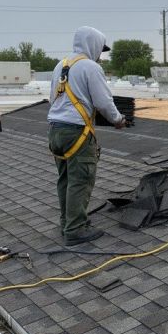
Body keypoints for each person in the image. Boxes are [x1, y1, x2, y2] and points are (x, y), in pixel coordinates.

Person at [48, 26, 126, 245]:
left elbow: (52, 99)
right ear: (93, 45)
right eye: (100, 49)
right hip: (76, 133)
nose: (101, 55)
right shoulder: (90, 67)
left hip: (55, 131)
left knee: (65, 179)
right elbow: (103, 102)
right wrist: (118, 120)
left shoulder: (60, 66)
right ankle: (75, 230)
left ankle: (67, 222)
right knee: (80, 180)